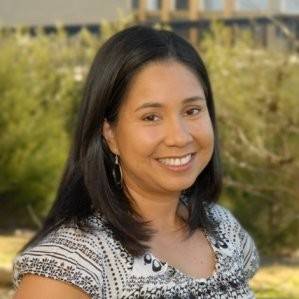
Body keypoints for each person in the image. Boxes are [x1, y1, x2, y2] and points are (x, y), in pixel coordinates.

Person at [12, 25, 260, 299]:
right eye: (151, 116)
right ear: (110, 133)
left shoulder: (224, 230)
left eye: (192, 111)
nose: (179, 137)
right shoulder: (69, 266)